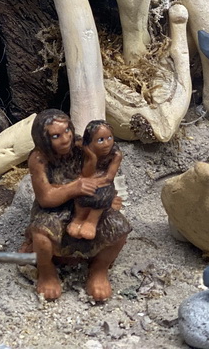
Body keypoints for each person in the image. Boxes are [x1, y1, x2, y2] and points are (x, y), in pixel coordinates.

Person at [25, 109, 131, 301]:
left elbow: (102, 172)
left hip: (88, 204)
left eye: (67, 131)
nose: (65, 139)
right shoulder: (39, 158)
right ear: (44, 139)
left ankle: (99, 269)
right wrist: (74, 187)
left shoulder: (80, 146)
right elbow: (46, 198)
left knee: (119, 228)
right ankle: (46, 270)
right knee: (41, 236)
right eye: (56, 136)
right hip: (54, 209)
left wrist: (107, 194)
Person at [67, 120, 122, 241]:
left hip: (104, 182)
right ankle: (79, 218)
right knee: (80, 191)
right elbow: (87, 173)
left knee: (103, 194)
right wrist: (92, 157)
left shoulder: (115, 154)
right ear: (90, 142)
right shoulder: (84, 150)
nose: (107, 144)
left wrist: (92, 183)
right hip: (87, 178)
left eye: (110, 138)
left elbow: (109, 177)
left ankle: (92, 221)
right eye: (100, 140)